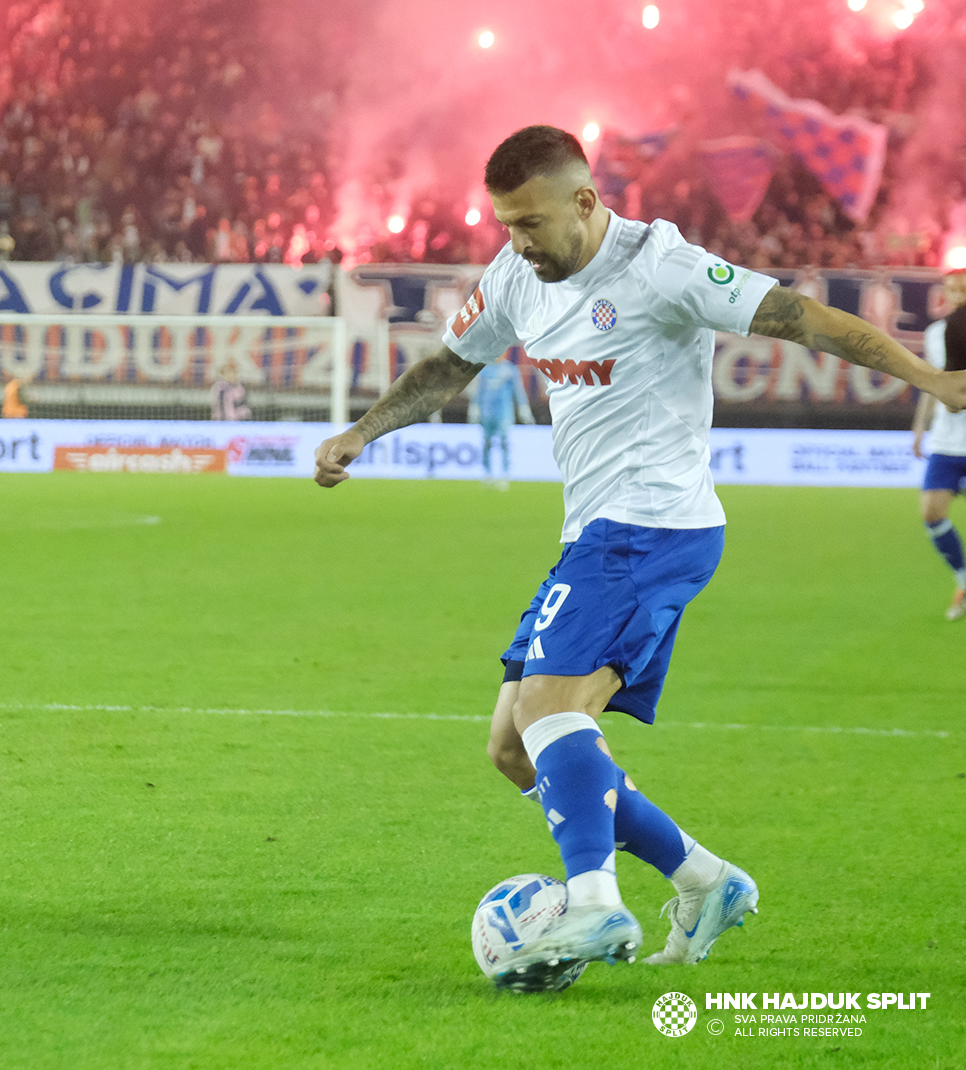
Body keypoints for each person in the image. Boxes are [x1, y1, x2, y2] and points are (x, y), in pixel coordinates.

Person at [313, 125, 966, 991]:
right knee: (513, 748)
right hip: (594, 531)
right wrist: (363, 431)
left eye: (532, 223)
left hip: (654, 525)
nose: (519, 241)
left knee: (549, 709)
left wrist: (935, 381)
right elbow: (447, 366)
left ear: (585, 200)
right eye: (506, 224)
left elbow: (805, 320)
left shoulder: (663, 267)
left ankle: (592, 898)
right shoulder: (516, 276)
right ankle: (706, 881)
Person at [911, 268, 966, 620]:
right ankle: (962, 579)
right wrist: (919, 427)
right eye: (951, 288)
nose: (955, 293)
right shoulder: (937, 333)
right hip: (947, 441)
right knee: (931, 512)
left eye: (960, 287)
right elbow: (931, 383)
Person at [467, 349, 534, 489]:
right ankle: (487, 474)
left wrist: (523, 407)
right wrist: (474, 407)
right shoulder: (485, 369)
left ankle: (504, 474)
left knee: (504, 442)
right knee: (486, 443)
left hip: (503, 412)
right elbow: (479, 391)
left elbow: (518, 391)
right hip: (487, 412)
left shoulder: (510, 370)